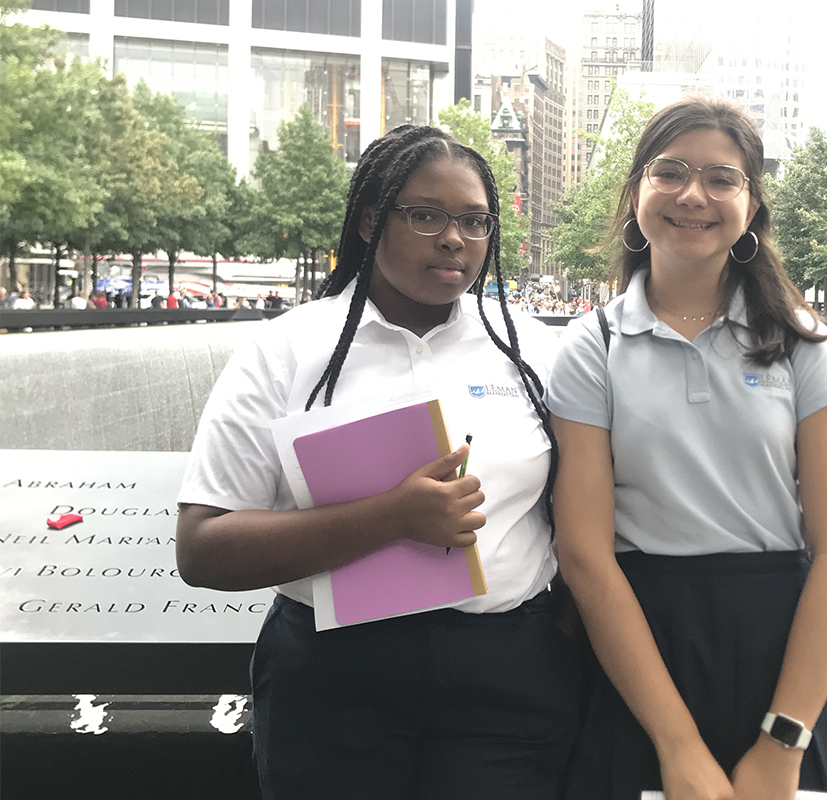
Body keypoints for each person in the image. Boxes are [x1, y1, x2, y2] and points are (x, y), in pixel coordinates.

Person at [176, 125, 580, 800]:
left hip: (506, 680)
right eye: (425, 215)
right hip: (334, 682)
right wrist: (391, 516)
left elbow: (589, 513)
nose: (455, 239)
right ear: (370, 218)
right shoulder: (285, 350)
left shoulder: (535, 352)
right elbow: (203, 548)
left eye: (475, 221)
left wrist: (552, 636)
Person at [547, 97, 827, 800]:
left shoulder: (801, 343)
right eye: (670, 172)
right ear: (636, 190)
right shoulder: (592, 347)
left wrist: (783, 743)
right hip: (643, 657)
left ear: (752, 204)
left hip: (785, 658)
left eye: (722, 179)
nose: (694, 195)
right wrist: (677, 747)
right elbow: (584, 553)